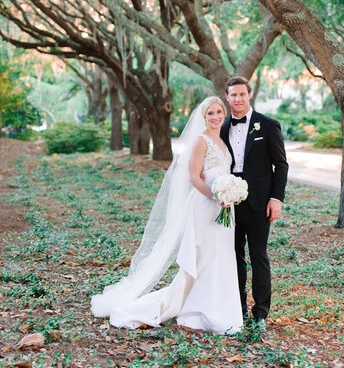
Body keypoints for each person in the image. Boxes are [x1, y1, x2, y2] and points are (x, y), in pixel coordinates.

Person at [91, 97, 243, 334]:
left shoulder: (221, 140)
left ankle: (220, 308)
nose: (215, 117)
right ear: (203, 117)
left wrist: (229, 195)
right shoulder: (201, 141)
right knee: (204, 258)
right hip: (207, 206)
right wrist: (216, 196)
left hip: (225, 209)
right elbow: (193, 176)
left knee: (221, 257)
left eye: (219, 112)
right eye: (210, 113)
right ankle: (197, 310)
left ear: (224, 113)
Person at [220, 76, 288, 327]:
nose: (237, 99)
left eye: (242, 94)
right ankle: (239, 309)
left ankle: (260, 312)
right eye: (233, 95)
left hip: (260, 203)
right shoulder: (223, 125)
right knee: (233, 257)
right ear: (227, 97)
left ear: (249, 95)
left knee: (258, 257)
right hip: (229, 203)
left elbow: (280, 165)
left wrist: (276, 199)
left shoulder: (268, 126)